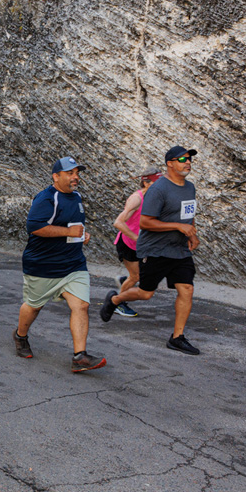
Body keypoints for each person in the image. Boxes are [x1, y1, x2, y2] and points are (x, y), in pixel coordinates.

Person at [100, 146, 201, 355]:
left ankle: (177, 337)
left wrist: (191, 233)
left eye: (189, 159)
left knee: (187, 289)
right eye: (182, 159)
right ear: (170, 164)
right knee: (145, 293)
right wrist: (178, 226)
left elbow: (188, 214)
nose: (188, 162)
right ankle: (115, 300)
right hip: (156, 250)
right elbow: (145, 222)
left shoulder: (190, 188)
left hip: (179, 250)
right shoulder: (158, 189)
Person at [12, 156, 106, 373]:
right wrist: (68, 232)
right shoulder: (46, 198)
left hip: (73, 265)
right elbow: (34, 227)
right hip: (43, 266)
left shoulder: (77, 197)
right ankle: (20, 336)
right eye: (70, 173)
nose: (76, 177)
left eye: (77, 173)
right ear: (56, 176)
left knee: (81, 305)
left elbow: (74, 226)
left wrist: (82, 235)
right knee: (33, 306)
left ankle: (79, 356)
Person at [111, 167, 162, 317]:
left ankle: (125, 281)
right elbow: (118, 223)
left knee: (150, 272)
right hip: (128, 243)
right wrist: (136, 238)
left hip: (143, 245)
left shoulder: (156, 198)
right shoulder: (137, 199)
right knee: (136, 276)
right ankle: (117, 304)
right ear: (146, 183)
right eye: (157, 183)